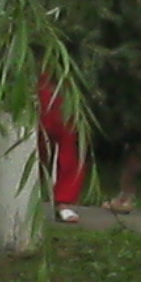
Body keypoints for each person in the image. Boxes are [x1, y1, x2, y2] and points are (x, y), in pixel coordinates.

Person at [37, 72, 85, 223]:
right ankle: (24, 198)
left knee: (70, 149)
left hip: (67, 86)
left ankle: (64, 202)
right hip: (39, 85)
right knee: (37, 147)